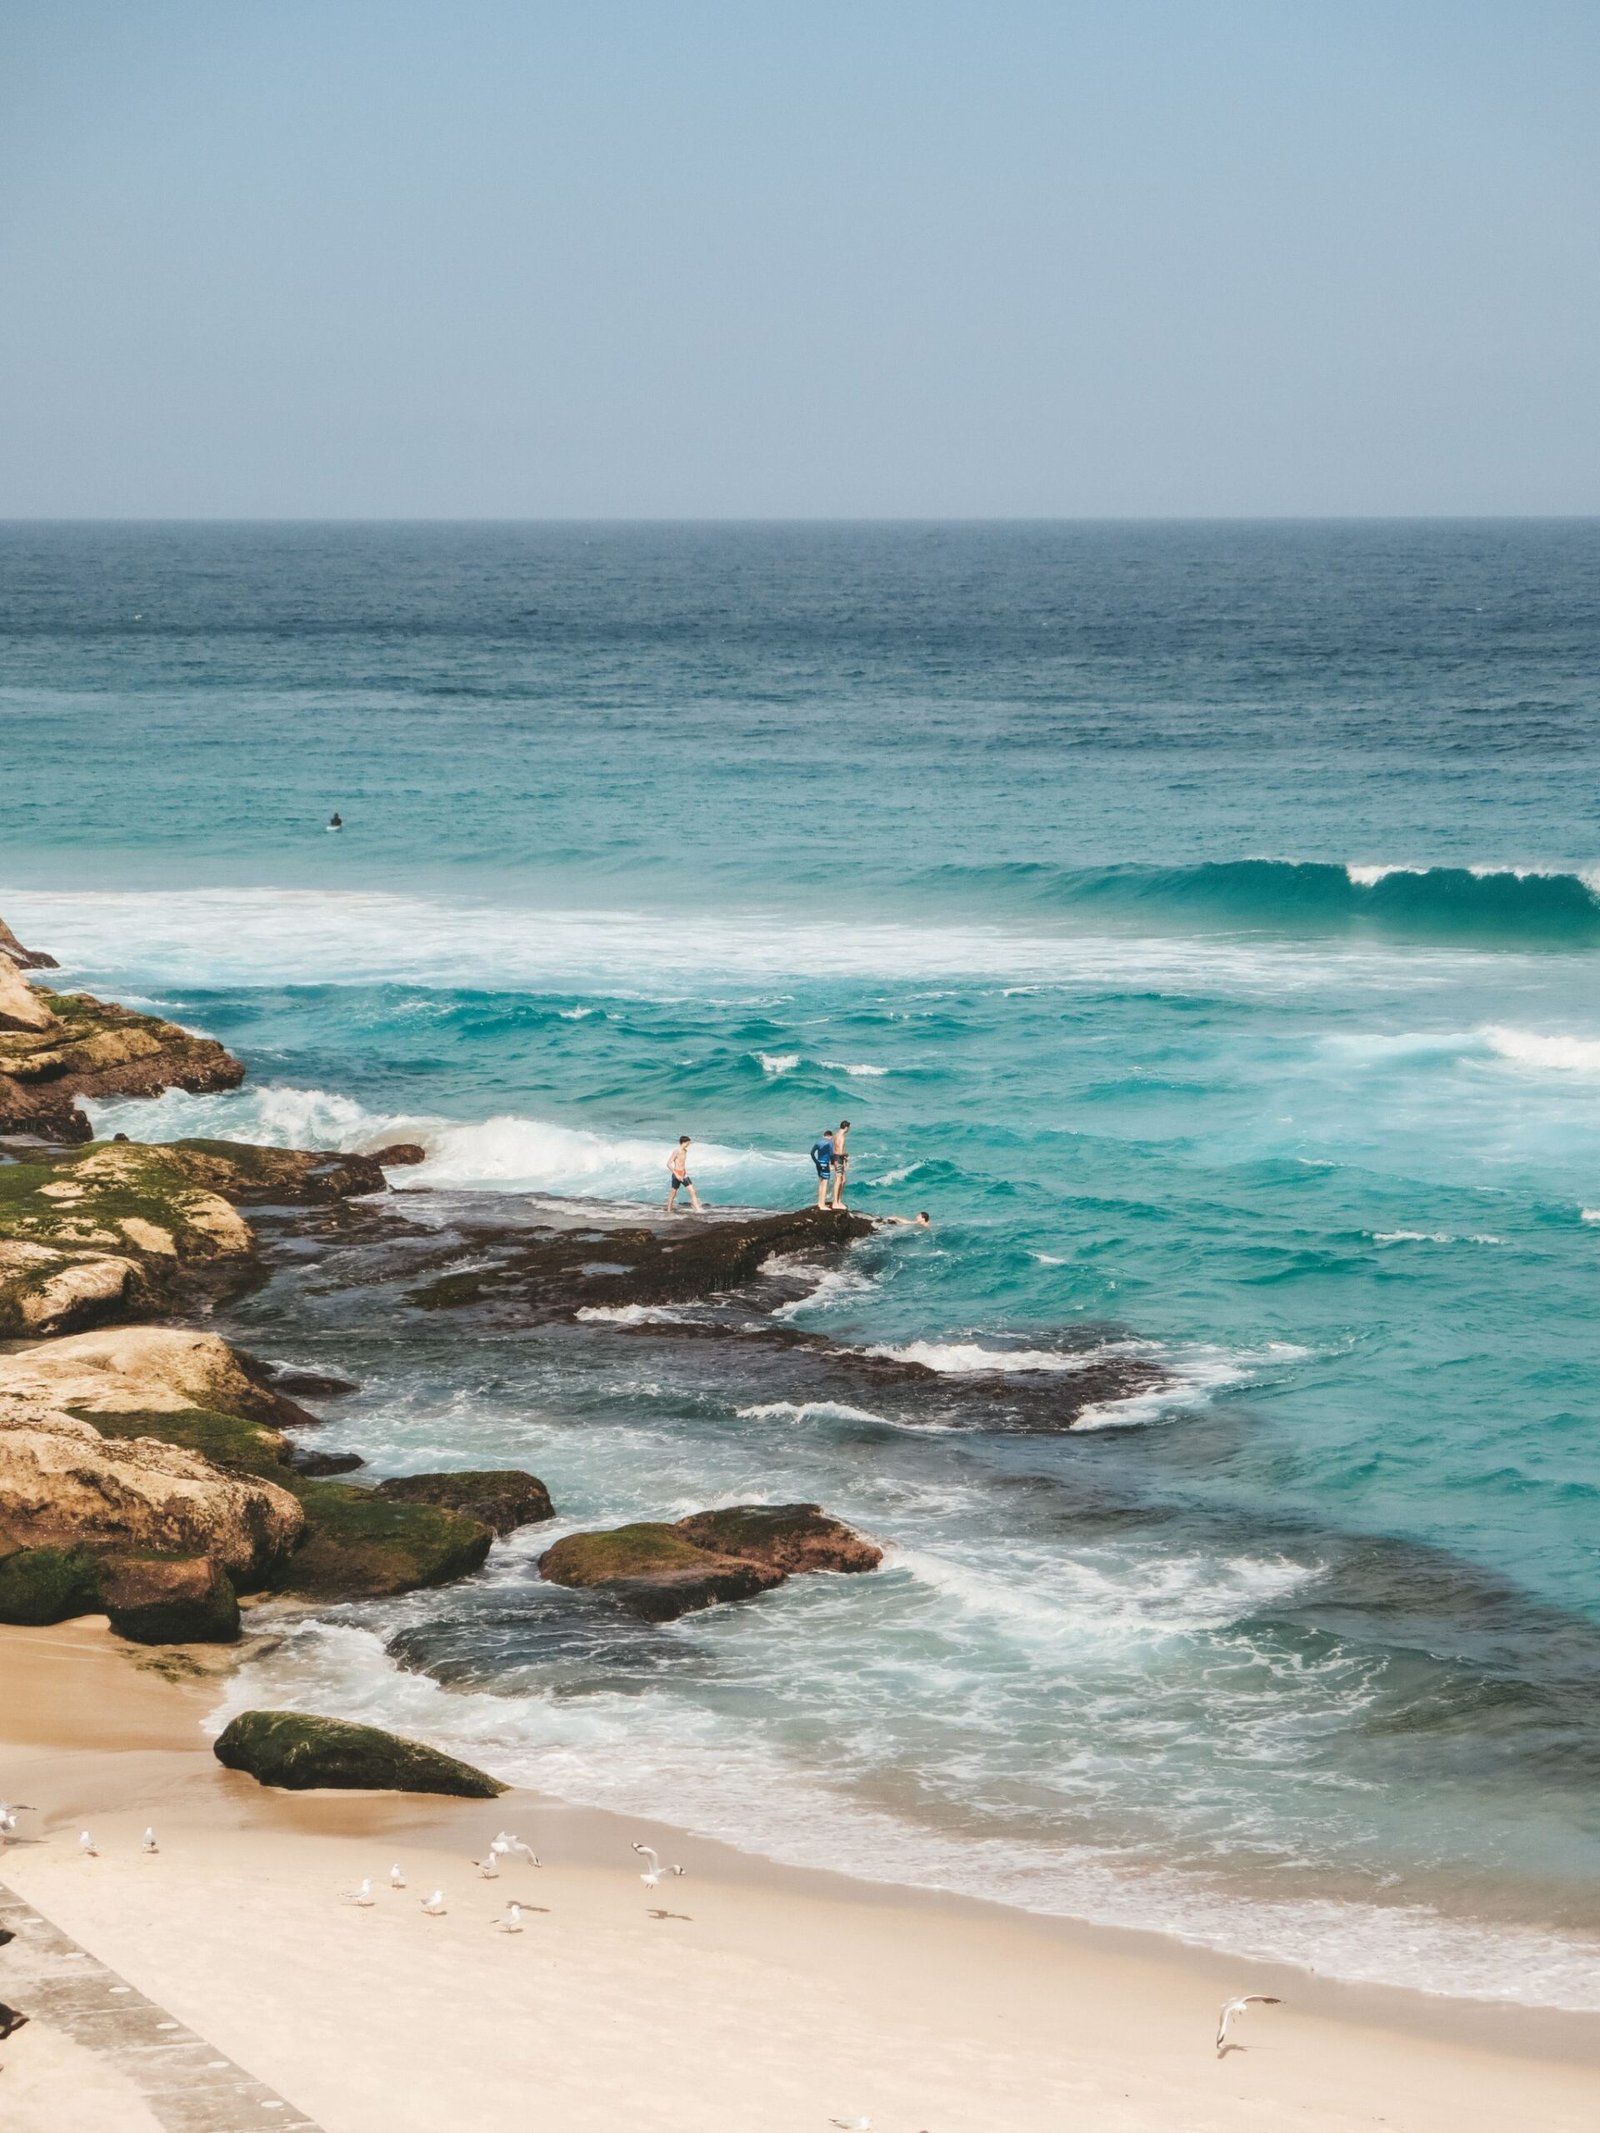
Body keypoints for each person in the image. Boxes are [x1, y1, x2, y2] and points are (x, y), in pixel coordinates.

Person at [665, 1135, 701, 1212]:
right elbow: (668, 1164)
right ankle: (668, 1210)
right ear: (684, 1142)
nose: (689, 1144)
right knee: (673, 1193)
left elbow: (682, 1163)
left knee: (693, 1191)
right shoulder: (676, 1151)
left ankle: (697, 1209)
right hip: (676, 1174)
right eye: (688, 1143)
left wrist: (684, 1173)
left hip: (684, 1174)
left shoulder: (685, 1151)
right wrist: (677, 1174)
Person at [810, 1128, 835, 1209]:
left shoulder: (818, 1142)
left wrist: (816, 1161)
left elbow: (812, 1153)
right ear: (831, 1136)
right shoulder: (830, 1142)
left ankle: (819, 1202)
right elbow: (831, 1154)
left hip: (818, 1163)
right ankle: (822, 1205)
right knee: (825, 1184)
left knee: (820, 1183)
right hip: (825, 1163)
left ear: (823, 1135)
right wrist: (832, 1164)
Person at [829, 1119, 851, 1207]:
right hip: (839, 1159)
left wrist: (832, 1160)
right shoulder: (842, 1137)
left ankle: (838, 1200)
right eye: (848, 1128)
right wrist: (846, 1155)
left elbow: (833, 1149)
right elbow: (841, 1151)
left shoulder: (835, 1135)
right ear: (846, 1127)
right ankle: (835, 1202)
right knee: (838, 1180)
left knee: (843, 1180)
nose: (848, 1130)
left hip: (835, 1158)